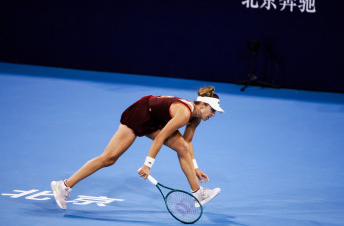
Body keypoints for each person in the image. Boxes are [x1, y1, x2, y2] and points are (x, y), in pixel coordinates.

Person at [51, 86, 224, 209]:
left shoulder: (197, 117)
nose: (214, 114)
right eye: (212, 109)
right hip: (140, 114)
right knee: (109, 158)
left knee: (182, 147)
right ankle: (64, 185)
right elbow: (161, 137)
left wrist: (195, 167)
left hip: (156, 119)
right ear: (202, 104)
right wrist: (147, 165)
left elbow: (187, 144)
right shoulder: (184, 113)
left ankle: (198, 193)